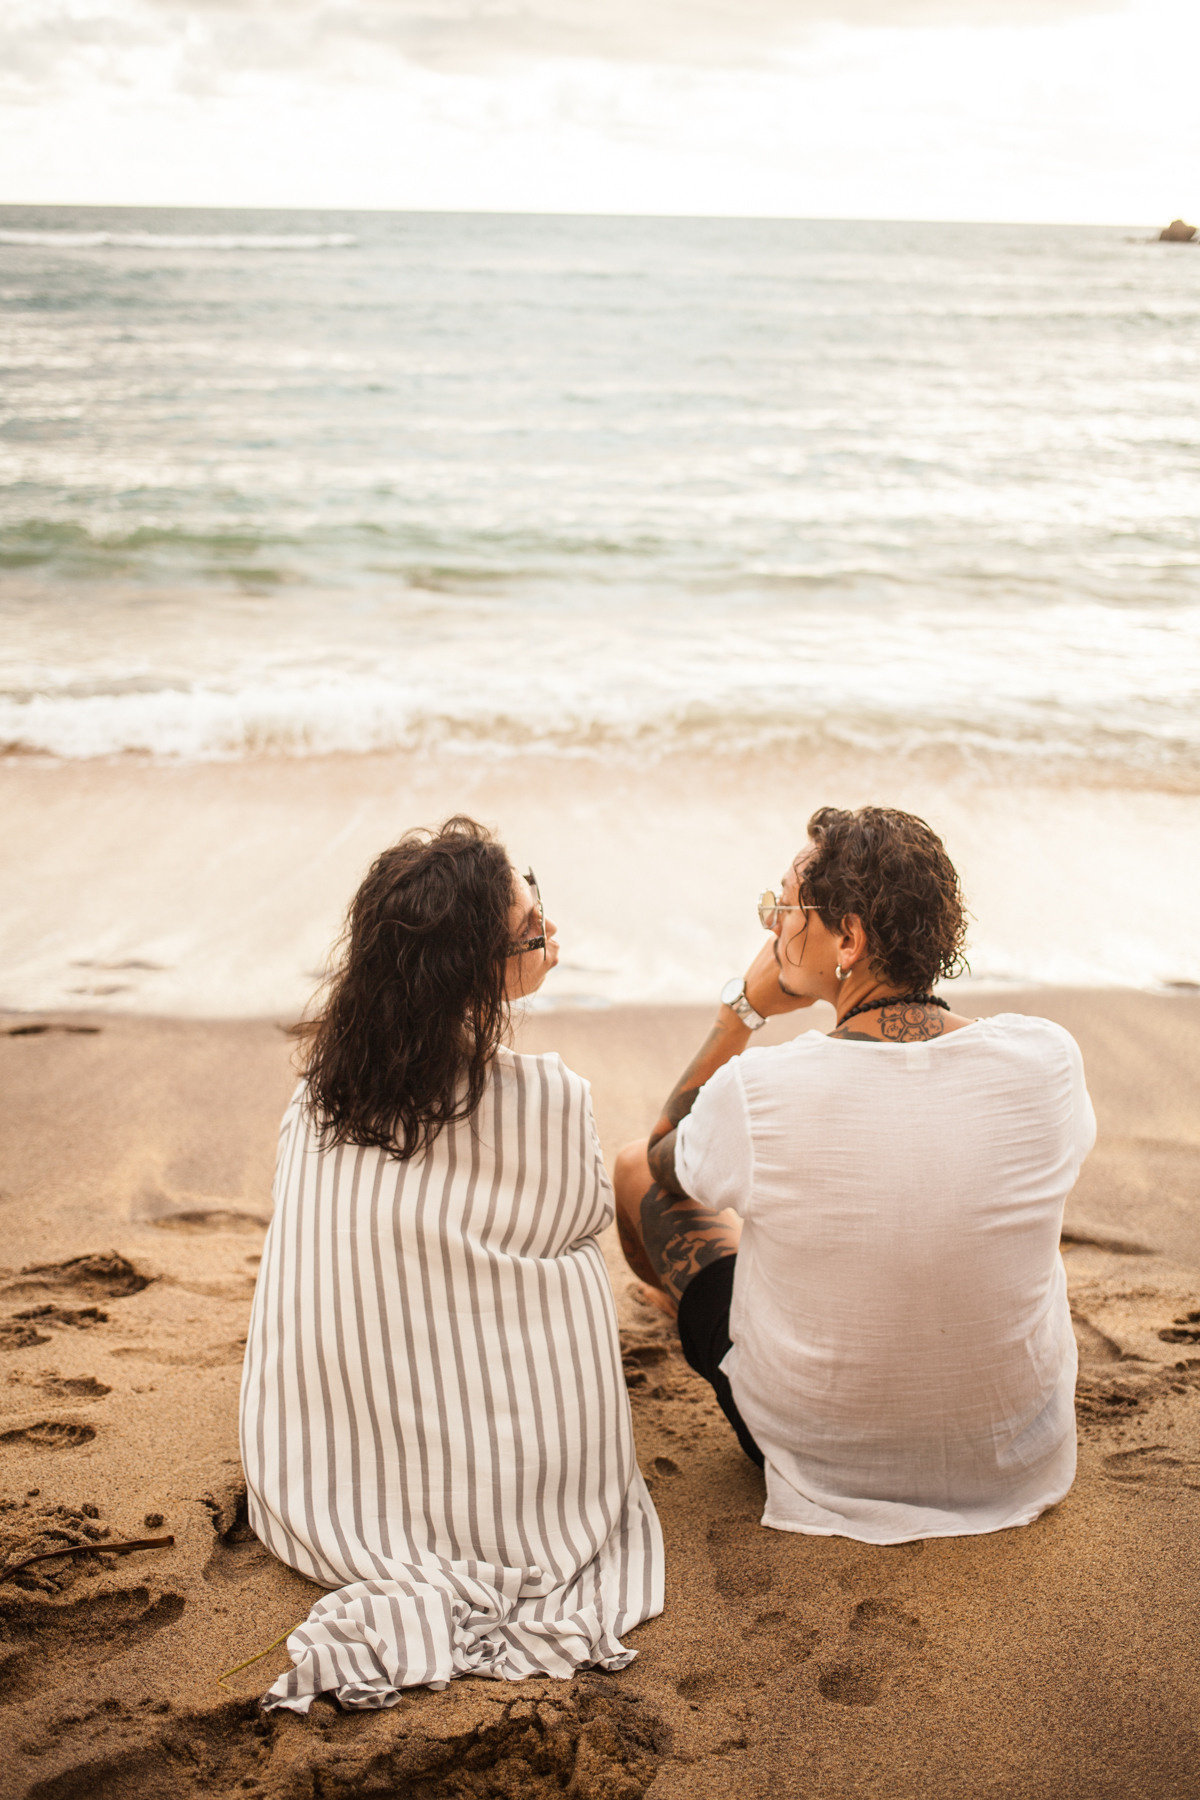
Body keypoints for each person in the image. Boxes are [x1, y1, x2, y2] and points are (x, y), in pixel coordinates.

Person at [241, 816, 662, 1712]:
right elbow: (584, 1219)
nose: (545, 917)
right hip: (521, 1503)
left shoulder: (317, 1097)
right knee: (572, 1260)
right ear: (480, 971)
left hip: (321, 1483)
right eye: (527, 921)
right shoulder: (548, 1098)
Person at [614, 805, 1096, 1544]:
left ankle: (678, 1304)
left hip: (826, 1456)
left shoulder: (764, 1091)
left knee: (633, 1174)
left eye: (783, 906)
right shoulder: (1047, 1062)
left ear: (848, 936)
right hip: (1013, 1456)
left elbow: (661, 1153)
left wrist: (741, 1011)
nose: (771, 926)